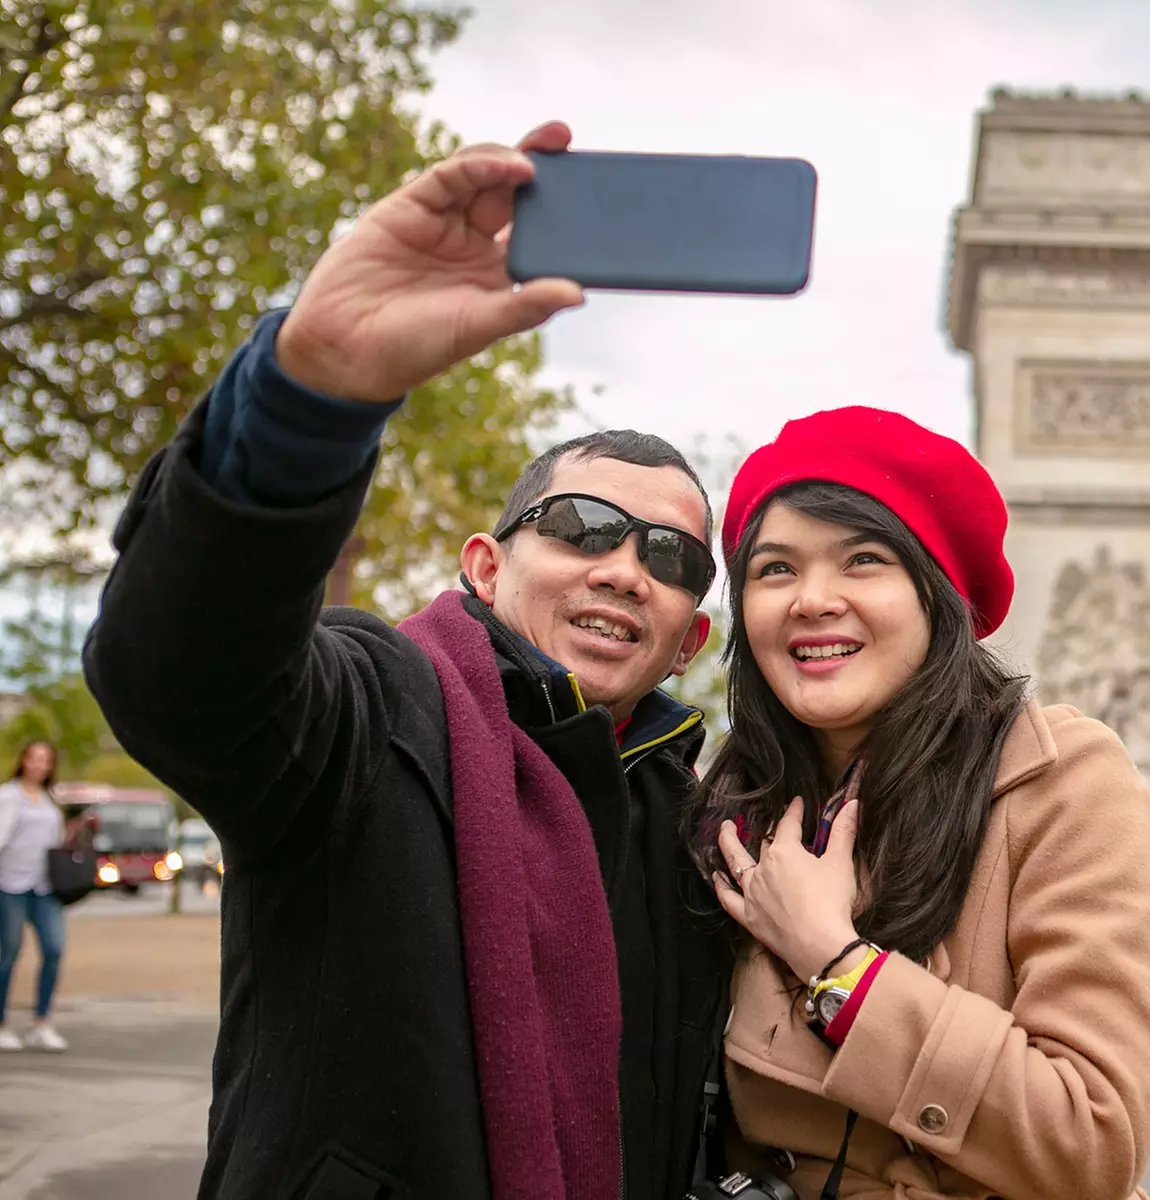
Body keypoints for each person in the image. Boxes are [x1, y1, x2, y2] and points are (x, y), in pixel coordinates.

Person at [82, 121, 736, 1199]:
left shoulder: (697, 828)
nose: (623, 568)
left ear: (689, 635)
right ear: (484, 565)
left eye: (669, 557)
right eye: (579, 526)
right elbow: (183, 674)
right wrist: (307, 400)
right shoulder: (366, 711)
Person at [687, 407, 1150, 1199]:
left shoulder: (1065, 784)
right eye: (774, 569)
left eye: (863, 560)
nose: (812, 598)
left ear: (936, 594)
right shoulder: (728, 809)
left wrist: (836, 964)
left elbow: (1093, 1142)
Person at [0, 741, 72, 1053]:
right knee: (8, 953)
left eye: (46, 760)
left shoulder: (49, 800)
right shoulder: (8, 796)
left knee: (54, 948)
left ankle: (41, 1022)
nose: (39, 765)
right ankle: (1, 1024)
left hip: (44, 887)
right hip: (10, 885)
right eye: (34, 758)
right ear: (23, 760)